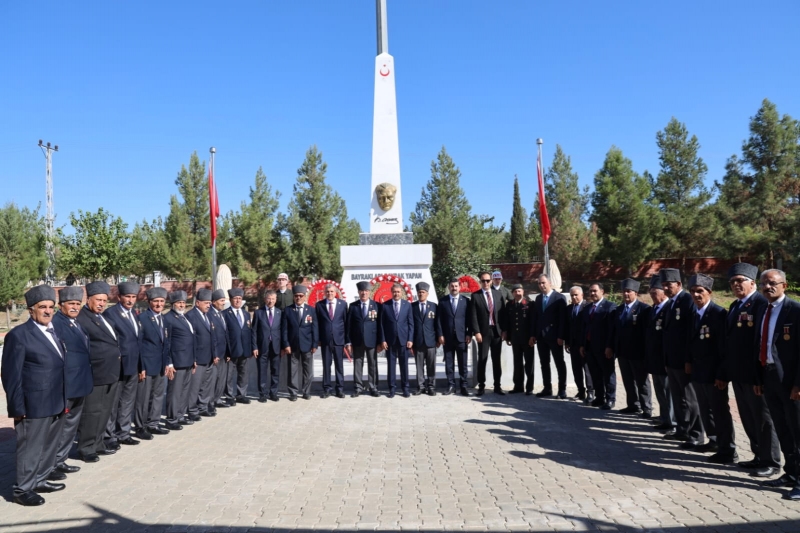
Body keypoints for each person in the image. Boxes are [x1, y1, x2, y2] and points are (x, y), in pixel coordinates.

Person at [2, 285, 67, 506]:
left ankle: (40, 479)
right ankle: (22, 489)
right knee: (30, 448)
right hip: (33, 404)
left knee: (49, 444)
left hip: (56, 400)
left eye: (51, 307)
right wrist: (17, 408)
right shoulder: (19, 336)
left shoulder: (52, 331)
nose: (48, 311)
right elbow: (11, 375)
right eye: (43, 307)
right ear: (31, 310)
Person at [722, 263, 779, 476]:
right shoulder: (736, 306)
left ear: (752, 283)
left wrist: (758, 376)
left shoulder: (761, 304)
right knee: (748, 417)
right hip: (739, 374)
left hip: (756, 375)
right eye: (732, 282)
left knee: (764, 420)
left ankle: (771, 462)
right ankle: (758, 456)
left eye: (740, 281)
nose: (736, 285)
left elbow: (761, 343)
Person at [755, 269, 800, 499]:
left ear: (785, 284)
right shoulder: (763, 309)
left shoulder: (795, 310)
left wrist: (798, 384)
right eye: (763, 283)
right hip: (769, 377)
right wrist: (758, 378)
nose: (767, 287)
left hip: (792, 382)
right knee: (782, 428)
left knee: (797, 430)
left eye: (772, 283)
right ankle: (791, 473)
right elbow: (758, 345)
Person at [686, 273, 734, 463]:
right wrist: (688, 361)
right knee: (705, 409)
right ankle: (713, 441)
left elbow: (723, 348)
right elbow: (690, 342)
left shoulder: (718, 314)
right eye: (693, 292)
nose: (696, 295)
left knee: (720, 411)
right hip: (698, 371)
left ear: (709, 292)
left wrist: (721, 373)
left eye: (700, 291)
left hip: (714, 373)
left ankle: (728, 450)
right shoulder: (693, 313)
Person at [75, 281, 123, 461]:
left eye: (104, 300)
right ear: (89, 299)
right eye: (98, 300)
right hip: (95, 373)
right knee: (92, 412)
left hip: (110, 372)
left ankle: (99, 442)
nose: (102, 303)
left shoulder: (104, 318)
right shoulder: (82, 318)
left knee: (105, 411)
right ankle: (86, 447)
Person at [660, 268, 704, 448]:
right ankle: (682, 429)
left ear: (678, 284)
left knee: (690, 400)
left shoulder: (687, 300)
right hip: (671, 360)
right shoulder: (671, 303)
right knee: (677, 398)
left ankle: (696, 434)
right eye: (663, 285)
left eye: (668, 285)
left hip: (683, 361)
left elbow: (689, 334)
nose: (665, 289)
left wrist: (688, 360)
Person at [51, 286, 93, 475]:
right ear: (61, 306)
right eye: (71, 304)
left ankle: (61, 459)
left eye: (78, 303)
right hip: (66, 384)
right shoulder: (56, 324)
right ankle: (51, 464)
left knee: (70, 426)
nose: (75, 307)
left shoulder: (76, 324)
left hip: (79, 383)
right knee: (60, 427)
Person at [102, 281, 143, 449]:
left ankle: (123, 433)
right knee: (113, 403)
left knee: (127, 401)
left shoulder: (134, 314)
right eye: (127, 297)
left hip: (133, 366)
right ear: (119, 297)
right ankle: (108, 435)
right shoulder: (111, 314)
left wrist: (141, 366)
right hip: (118, 366)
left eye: (133, 297)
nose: (130, 300)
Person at [608, 279, 652, 416]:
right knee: (628, 381)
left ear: (636, 293)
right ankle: (633, 405)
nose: (626, 294)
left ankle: (647, 408)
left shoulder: (644, 309)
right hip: (622, 352)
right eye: (624, 291)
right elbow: (613, 330)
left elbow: (646, 333)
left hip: (638, 353)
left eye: (629, 291)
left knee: (642, 382)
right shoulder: (619, 309)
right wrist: (611, 347)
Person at [134, 287, 170, 439]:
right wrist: (141, 366)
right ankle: (140, 426)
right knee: (143, 398)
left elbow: (167, 343)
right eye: (156, 301)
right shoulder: (142, 318)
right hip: (147, 365)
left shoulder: (164, 319)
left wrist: (168, 363)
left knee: (157, 395)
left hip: (161, 365)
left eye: (161, 301)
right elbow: (139, 344)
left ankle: (153, 423)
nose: (159, 304)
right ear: (149, 302)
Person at [644, 275, 675, 433]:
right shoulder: (653, 309)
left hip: (665, 357)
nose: (651, 294)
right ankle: (664, 416)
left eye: (654, 291)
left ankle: (671, 421)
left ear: (663, 292)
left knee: (668, 390)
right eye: (650, 291)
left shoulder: (669, 307)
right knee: (660, 390)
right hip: (654, 358)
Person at [162, 291, 196, 430]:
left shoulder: (184, 317)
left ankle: (180, 415)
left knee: (184, 390)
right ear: (173, 304)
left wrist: (194, 359)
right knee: (175, 391)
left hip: (188, 360)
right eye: (179, 303)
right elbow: (167, 342)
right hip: (177, 361)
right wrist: (169, 362)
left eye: (183, 302)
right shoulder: (168, 318)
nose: (182, 305)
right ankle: (172, 419)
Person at [579, 283, 616, 409]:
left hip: (604, 348)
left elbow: (611, 329)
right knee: (595, 374)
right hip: (590, 347)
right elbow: (585, 328)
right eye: (590, 291)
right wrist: (583, 345)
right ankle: (599, 397)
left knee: (608, 374)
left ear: (602, 291)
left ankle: (610, 398)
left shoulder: (610, 306)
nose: (592, 293)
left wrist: (609, 346)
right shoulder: (588, 308)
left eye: (595, 291)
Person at [530, 274, 567, 398]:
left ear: (550, 283)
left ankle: (562, 389)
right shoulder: (539, 298)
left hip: (555, 336)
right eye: (539, 283)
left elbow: (563, 320)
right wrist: (534, 335)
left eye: (543, 283)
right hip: (541, 337)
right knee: (544, 363)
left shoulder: (559, 298)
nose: (541, 285)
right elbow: (536, 318)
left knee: (559, 363)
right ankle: (547, 388)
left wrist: (561, 336)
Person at [470, 271, 507, 396]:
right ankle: (481, 386)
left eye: (487, 280)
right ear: (480, 282)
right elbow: (473, 316)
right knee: (482, 359)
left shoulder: (498, 294)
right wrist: (477, 332)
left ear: (491, 281)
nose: (485, 283)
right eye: (483, 281)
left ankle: (497, 386)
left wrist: (504, 330)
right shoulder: (475, 296)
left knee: (496, 360)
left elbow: (503, 314)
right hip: (483, 333)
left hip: (496, 332)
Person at [281, 285, 318, 401]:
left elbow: (315, 329)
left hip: (307, 345)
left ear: (305, 296)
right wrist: (286, 344)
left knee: (308, 370)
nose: (298, 298)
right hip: (292, 346)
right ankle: (293, 392)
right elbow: (284, 329)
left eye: (300, 296)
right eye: (296, 296)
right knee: (292, 370)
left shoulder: (311, 310)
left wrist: (315, 344)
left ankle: (306, 391)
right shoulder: (288, 310)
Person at [437, 278, 472, 396]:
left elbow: (469, 320)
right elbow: (439, 321)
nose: (454, 288)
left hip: (462, 337)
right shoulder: (443, 301)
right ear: (449, 287)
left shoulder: (466, 301)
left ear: (460, 287)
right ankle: (451, 385)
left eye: (456, 286)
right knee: (449, 363)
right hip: (447, 337)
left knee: (463, 363)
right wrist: (440, 335)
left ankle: (464, 386)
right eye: (452, 286)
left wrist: (469, 333)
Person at [346, 281, 381, 397]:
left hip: (372, 340)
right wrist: (348, 342)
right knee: (358, 364)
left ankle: (373, 387)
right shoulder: (353, 306)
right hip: (357, 340)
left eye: (366, 291)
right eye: (362, 291)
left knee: (372, 364)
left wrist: (381, 341)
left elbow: (380, 325)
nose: (364, 293)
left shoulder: (377, 306)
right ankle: (358, 387)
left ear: (369, 292)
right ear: (358, 292)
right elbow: (348, 326)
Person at [185, 289, 217, 419]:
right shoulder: (191, 316)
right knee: (195, 386)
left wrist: (214, 354)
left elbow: (212, 336)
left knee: (206, 385)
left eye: (209, 303)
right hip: (198, 358)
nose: (209, 305)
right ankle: (192, 410)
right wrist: (193, 358)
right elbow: (190, 340)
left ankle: (202, 407)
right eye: (206, 303)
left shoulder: (207, 315)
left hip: (209, 357)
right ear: (198, 303)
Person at [380, 283, 415, 398]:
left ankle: (405, 388)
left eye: (398, 292)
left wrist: (410, 339)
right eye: (394, 292)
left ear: (402, 293)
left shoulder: (407, 305)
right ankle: (392, 388)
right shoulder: (385, 305)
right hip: (390, 341)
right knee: (391, 365)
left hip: (404, 341)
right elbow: (382, 325)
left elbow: (411, 324)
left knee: (404, 365)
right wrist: (383, 340)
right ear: (391, 292)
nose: (396, 294)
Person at [316, 283, 349, 399]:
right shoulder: (319, 305)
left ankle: (340, 389)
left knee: (339, 366)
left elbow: (346, 323)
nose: (329, 293)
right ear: (324, 293)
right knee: (326, 365)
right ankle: (327, 389)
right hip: (325, 340)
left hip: (339, 340)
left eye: (331, 291)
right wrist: (318, 339)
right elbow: (317, 324)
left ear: (336, 293)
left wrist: (347, 341)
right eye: (327, 291)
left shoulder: (343, 305)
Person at [560, 286, 593, 403]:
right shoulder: (569, 309)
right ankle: (581, 390)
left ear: (582, 295)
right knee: (576, 369)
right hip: (573, 344)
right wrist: (567, 342)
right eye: (572, 295)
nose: (574, 297)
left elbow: (588, 327)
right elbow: (567, 326)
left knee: (587, 369)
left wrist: (584, 344)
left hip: (584, 344)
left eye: (576, 295)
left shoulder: (588, 307)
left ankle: (591, 392)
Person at [252, 290, 284, 402]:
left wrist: (283, 347)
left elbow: (282, 331)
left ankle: (273, 393)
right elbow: (254, 331)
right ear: (265, 299)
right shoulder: (258, 313)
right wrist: (255, 347)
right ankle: (262, 393)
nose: (271, 301)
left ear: (276, 300)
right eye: (269, 298)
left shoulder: (280, 313)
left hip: (276, 346)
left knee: (275, 371)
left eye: (273, 299)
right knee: (262, 370)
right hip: (262, 347)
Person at [412, 282, 442, 396]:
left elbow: (437, 323)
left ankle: (431, 386)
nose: (421, 294)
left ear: (427, 294)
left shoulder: (434, 306)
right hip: (418, 341)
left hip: (431, 340)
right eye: (419, 292)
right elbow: (411, 325)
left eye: (423, 292)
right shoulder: (412, 306)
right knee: (419, 366)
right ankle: (420, 386)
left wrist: (439, 338)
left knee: (431, 365)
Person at [224, 288, 253, 404]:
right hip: (231, 350)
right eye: (235, 299)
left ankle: (241, 394)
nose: (237, 301)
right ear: (231, 300)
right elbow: (224, 334)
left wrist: (251, 348)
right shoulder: (225, 314)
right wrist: (226, 351)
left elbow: (249, 332)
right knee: (229, 375)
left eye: (240, 299)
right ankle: (229, 396)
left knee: (243, 373)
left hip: (244, 349)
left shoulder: (246, 314)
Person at [505, 284, 535, 395]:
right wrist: (508, 337)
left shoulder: (529, 304)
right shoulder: (510, 305)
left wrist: (533, 336)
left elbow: (533, 322)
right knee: (517, 363)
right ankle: (518, 386)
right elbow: (508, 322)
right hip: (515, 339)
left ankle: (529, 387)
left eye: (519, 291)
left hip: (527, 339)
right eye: (515, 291)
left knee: (529, 363)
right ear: (512, 293)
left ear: (523, 292)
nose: (517, 293)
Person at [209, 289, 231, 411]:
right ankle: (210, 402)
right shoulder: (210, 315)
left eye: (224, 300)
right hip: (216, 354)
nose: (224, 303)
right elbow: (213, 337)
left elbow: (225, 334)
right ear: (214, 302)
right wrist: (215, 353)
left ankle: (217, 399)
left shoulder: (221, 314)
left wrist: (228, 352)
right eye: (222, 300)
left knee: (221, 378)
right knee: (213, 379)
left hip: (223, 353)